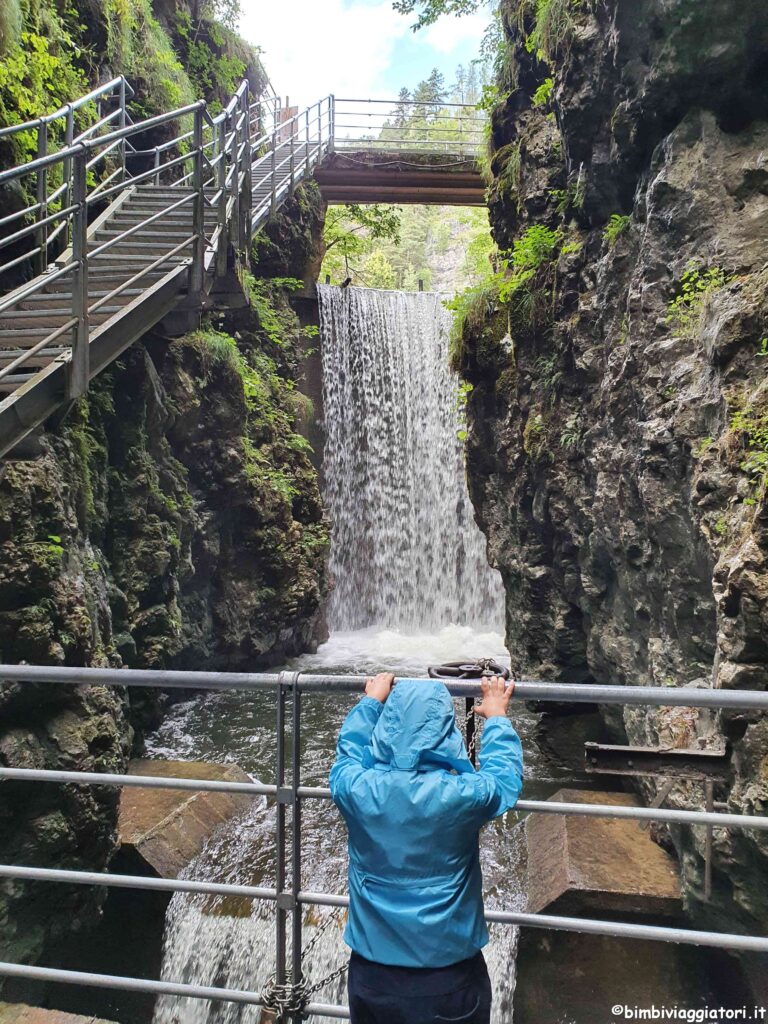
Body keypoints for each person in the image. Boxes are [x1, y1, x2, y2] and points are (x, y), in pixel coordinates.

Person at [329, 672, 523, 1024]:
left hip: (371, 974)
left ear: (387, 727)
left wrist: (371, 703)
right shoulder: (462, 795)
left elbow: (348, 754)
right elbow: (503, 779)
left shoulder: (356, 789)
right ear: (446, 730)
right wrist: (496, 718)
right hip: (448, 975)